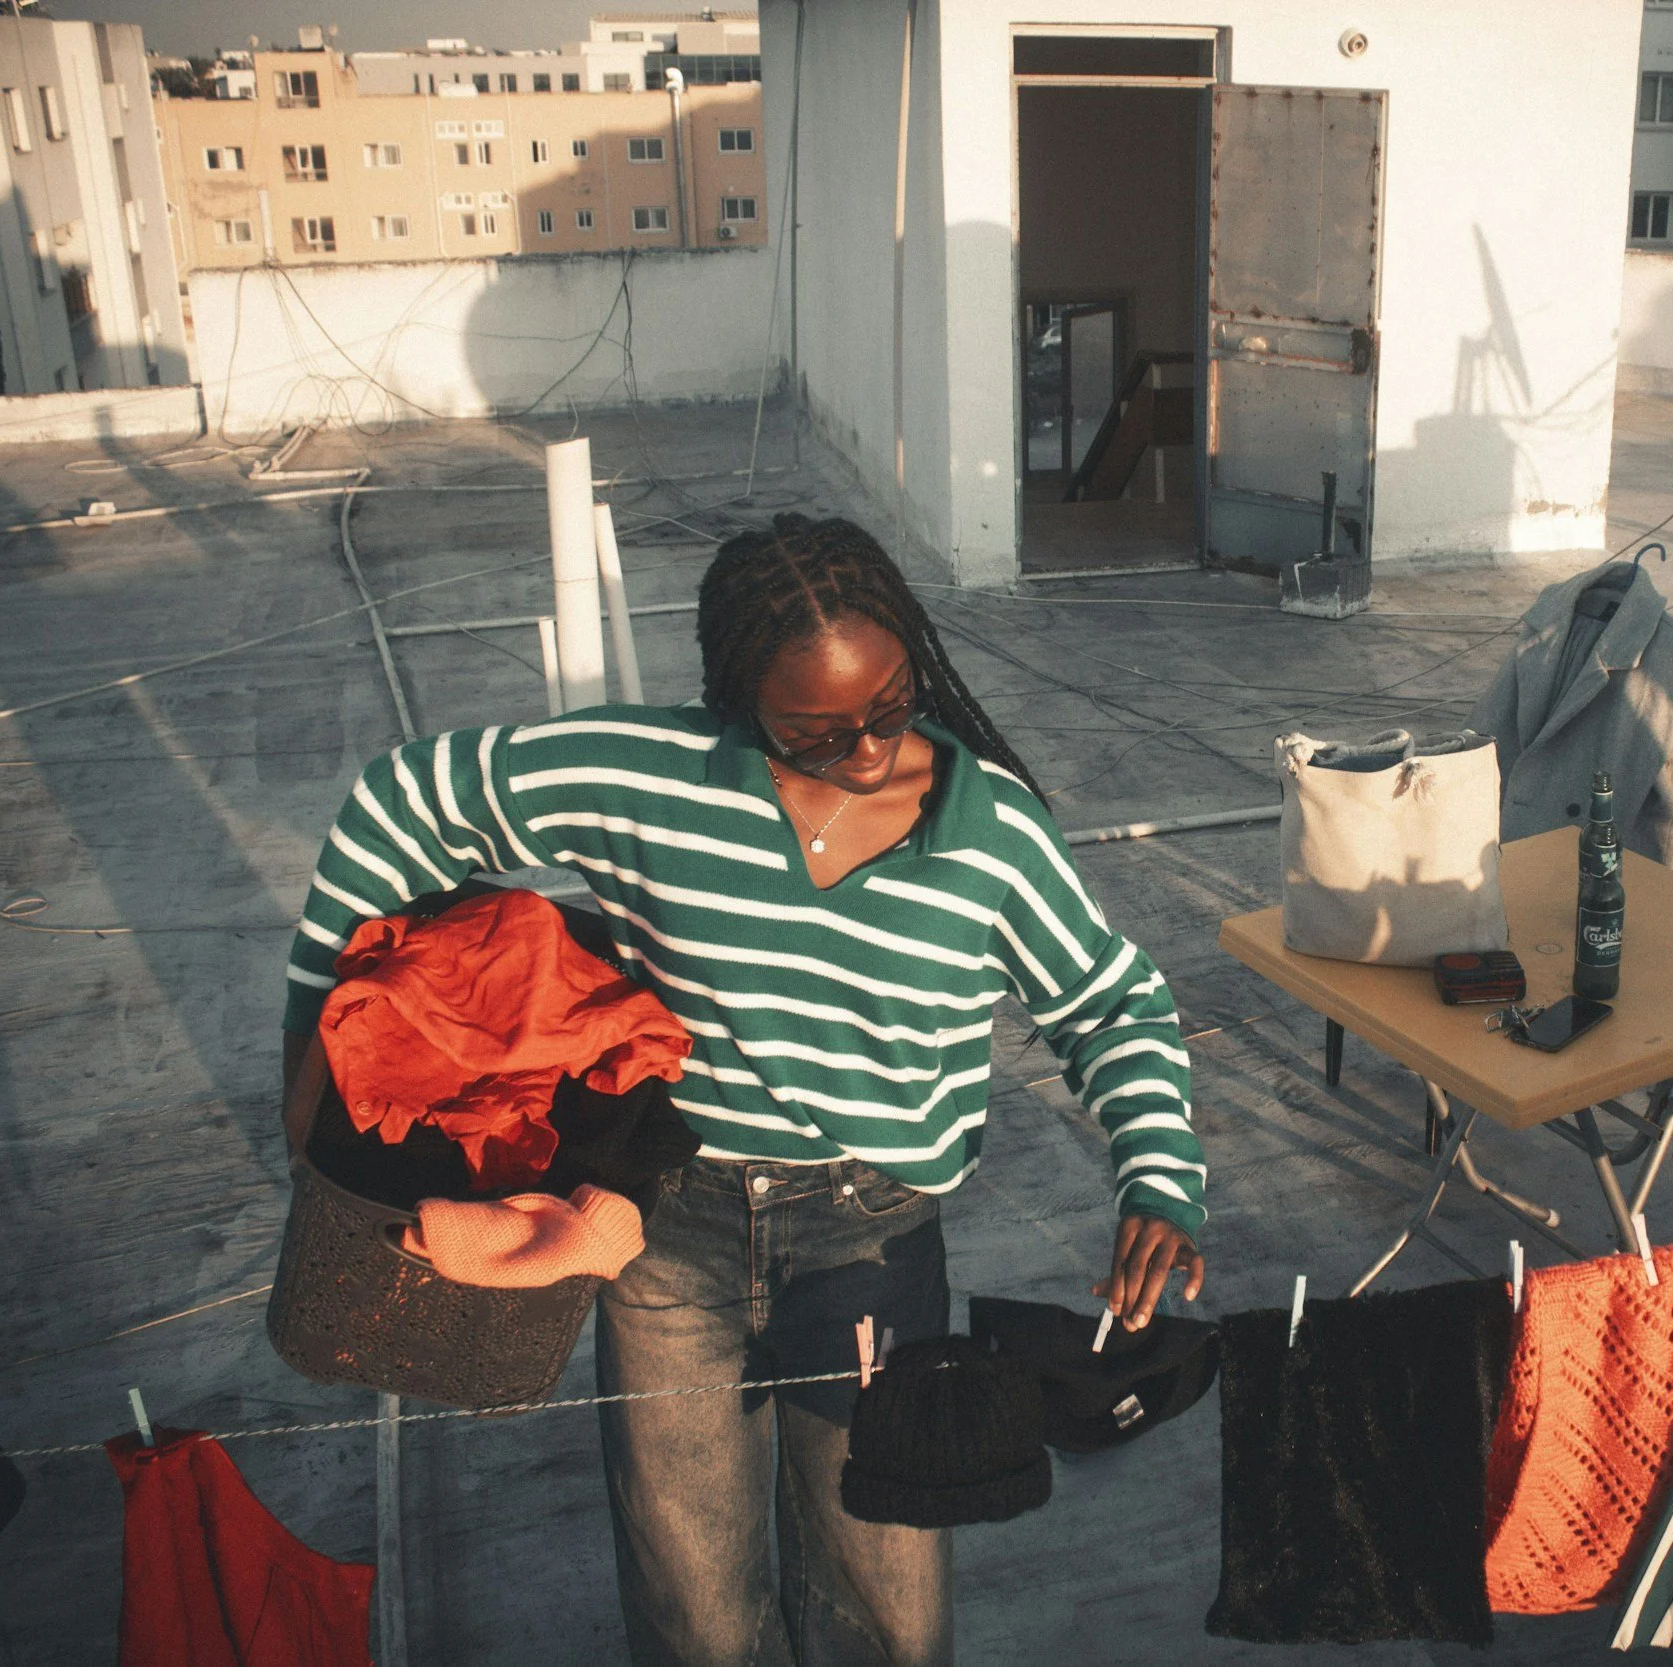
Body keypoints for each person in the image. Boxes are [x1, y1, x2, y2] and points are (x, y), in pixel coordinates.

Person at [279, 515, 1209, 1667]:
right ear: (737, 697)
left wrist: (1157, 1173)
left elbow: (1108, 1004)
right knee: (694, 1608)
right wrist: (311, 1032)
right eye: (813, 731)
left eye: (890, 704)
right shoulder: (646, 776)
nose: (867, 752)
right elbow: (402, 797)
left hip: (873, 1247)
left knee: (886, 1597)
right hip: (666, 1233)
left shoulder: (994, 836)